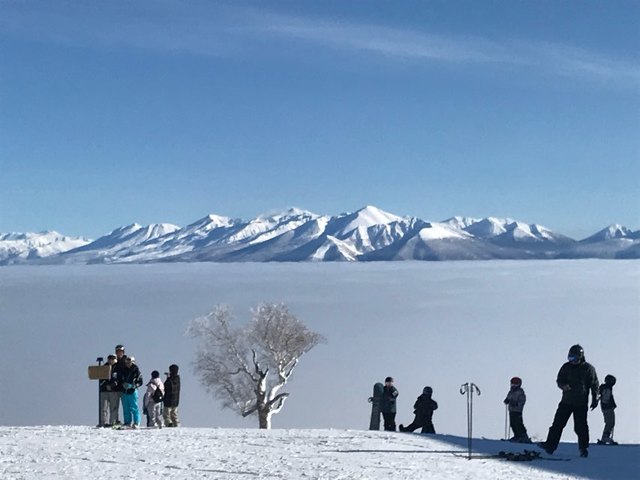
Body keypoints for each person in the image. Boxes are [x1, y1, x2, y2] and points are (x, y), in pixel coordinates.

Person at [538, 344, 599, 458]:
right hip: (566, 401)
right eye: (570, 358)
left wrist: (595, 399)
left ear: (580, 357)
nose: (572, 361)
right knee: (557, 425)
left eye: (574, 358)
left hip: (580, 403)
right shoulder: (566, 367)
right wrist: (563, 385)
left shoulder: (588, 369)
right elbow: (559, 379)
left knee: (580, 427)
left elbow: (595, 385)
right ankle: (550, 446)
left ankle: (583, 448)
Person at [503, 377, 530, 443]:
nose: (513, 385)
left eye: (515, 384)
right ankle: (517, 436)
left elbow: (522, 400)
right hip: (511, 410)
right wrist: (507, 400)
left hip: (517, 410)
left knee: (518, 423)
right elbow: (509, 397)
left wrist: (516, 403)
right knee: (512, 423)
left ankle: (523, 436)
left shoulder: (520, 392)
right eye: (512, 384)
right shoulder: (511, 391)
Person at [120, 355, 143, 428]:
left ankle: (136, 422)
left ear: (132, 362)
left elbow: (140, 381)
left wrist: (134, 385)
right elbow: (120, 379)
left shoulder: (136, 371)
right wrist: (122, 384)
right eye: (126, 362)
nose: (127, 363)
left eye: (129, 362)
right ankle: (127, 422)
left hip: (132, 391)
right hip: (124, 391)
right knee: (126, 407)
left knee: (134, 407)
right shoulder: (123, 370)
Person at [98, 355, 119, 427]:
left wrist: (112, 385)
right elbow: (101, 378)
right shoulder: (104, 367)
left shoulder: (117, 368)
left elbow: (118, 379)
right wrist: (106, 385)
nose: (111, 360)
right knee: (104, 407)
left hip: (114, 391)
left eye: (112, 359)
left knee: (113, 407)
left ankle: (112, 422)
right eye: (109, 359)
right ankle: (103, 422)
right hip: (104, 390)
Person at [597, 374, 618, 445]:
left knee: (610, 422)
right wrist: (611, 405)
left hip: (606, 407)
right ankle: (605, 437)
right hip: (607, 408)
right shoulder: (607, 388)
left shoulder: (606, 388)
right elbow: (606, 398)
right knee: (610, 422)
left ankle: (606, 436)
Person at [110, 344, 128, 424]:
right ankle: (114, 421)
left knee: (126, 407)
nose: (119, 353)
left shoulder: (126, 362)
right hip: (115, 388)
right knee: (114, 406)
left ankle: (127, 421)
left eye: (120, 352)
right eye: (117, 352)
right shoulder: (114, 362)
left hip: (124, 388)